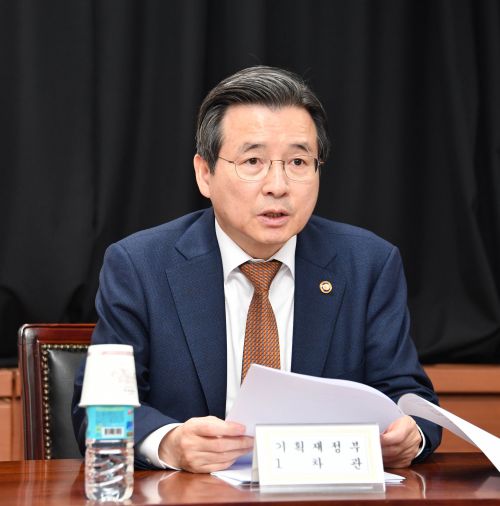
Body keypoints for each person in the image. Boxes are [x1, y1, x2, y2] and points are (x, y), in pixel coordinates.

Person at [72, 66, 441, 473]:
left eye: (298, 161)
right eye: (253, 161)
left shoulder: (367, 264)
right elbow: (100, 409)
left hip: (322, 493)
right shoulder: (140, 266)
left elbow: (411, 398)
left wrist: (410, 436)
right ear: (205, 174)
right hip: (192, 494)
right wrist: (170, 442)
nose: (277, 185)